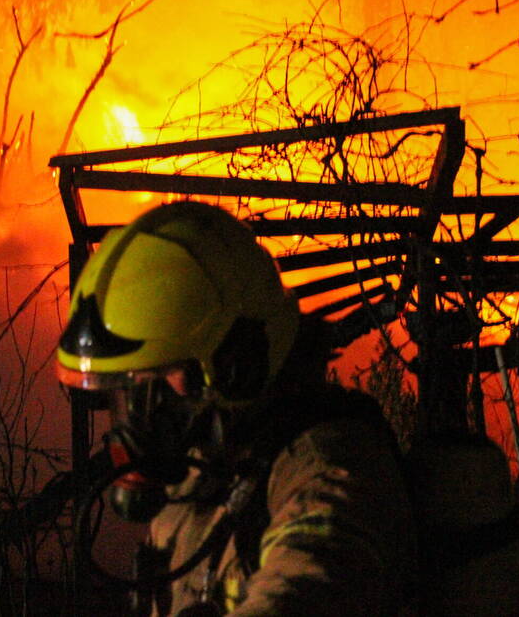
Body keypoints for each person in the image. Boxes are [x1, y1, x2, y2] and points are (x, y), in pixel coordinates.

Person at [56, 202, 414, 616]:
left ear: (236, 366)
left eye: (161, 378)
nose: (140, 414)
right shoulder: (199, 477)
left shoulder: (329, 468)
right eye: (125, 390)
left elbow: (307, 585)